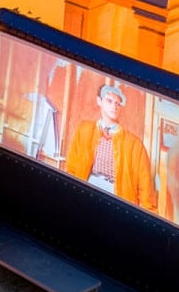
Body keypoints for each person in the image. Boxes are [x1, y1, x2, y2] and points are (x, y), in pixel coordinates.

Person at [63, 80, 157, 212]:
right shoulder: (83, 130)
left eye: (118, 103)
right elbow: (71, 169)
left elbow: (145, 190)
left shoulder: (135, 145)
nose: (115, 106)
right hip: (86, 191)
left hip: (116, 198)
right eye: (109, 101)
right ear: (99, 101)